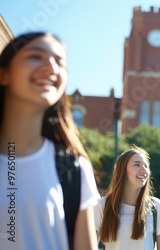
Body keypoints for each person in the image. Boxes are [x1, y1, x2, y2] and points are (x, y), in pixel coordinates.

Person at [0, 32, 100, 250]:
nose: (51, 67)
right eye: (36, 56)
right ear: (4, 74)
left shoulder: (74, 168)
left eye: (60, 62)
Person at [94, 146, 160, 250]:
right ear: (122, 170)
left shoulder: (156, 206)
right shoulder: (102, 205)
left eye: (146, 166)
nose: (144, 170)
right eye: (137, 165)